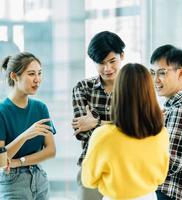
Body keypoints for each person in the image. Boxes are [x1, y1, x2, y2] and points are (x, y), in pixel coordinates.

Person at [81, 63, 170, 200]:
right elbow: (161, 177)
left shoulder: (103, 135)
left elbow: (88, 179)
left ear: (118, 93)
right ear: (150, 92)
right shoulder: (161, 133)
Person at [0, 52, 56, 200]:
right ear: (14, 76)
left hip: (39, 178)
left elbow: (51, 150)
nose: (37, 80)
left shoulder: (41, 108)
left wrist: (19, 162)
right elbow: (0, 161)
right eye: (31, 74)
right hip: (11, 182)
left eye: (39, 73)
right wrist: (25, 135)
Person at [72, 31, 125, 200]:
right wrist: (118, 125)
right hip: (92, 164)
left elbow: (137, 128)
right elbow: (82, 132)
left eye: (112, 61)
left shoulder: (134, 87)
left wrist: (97, 122)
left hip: (126, 167)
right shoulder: (83, 88)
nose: (107, 68)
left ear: (122, 56)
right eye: (101, 63)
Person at [150, 45, 182, 200]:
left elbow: (170, 162)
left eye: (162, 73)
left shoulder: (181, 109)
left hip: (169, 194)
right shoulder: (175, 106)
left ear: (181, 73)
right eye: (153, 73)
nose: (155, 80)